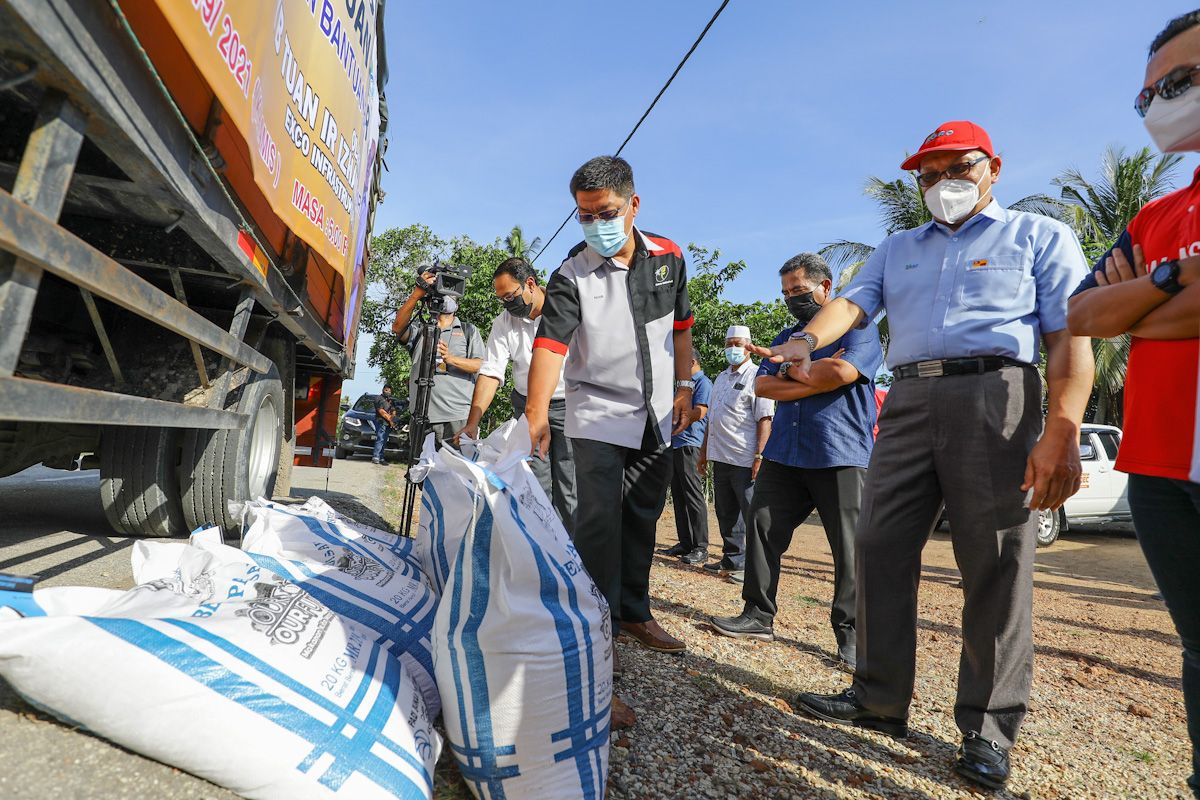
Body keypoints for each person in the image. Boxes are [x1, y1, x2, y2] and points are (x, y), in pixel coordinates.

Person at [759, 122, 1094, 791]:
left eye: (958, 167)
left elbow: (1069, 337)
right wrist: (806, 341)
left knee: (994, 561)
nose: (943, 183)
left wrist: (1062, 428)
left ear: (993, 167)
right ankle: (879, 698)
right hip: (909, 398)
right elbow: (852, 306)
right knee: (879, 544)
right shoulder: (897, 248)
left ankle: (988, 729)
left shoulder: (1038, 236)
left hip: (997, 393)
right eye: (929, 174)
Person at [1066, 13, 1200, 796]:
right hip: (1158, 466)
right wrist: (1173, 279)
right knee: (1199, 650)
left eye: (1177, 83)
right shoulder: (1154, 217)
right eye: (1147, 95)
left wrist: (1135, 301)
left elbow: (1112, 313)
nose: (1159, 105)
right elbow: (1082, 315)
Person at [524, 155, 695, 726]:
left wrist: (687, 386)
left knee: (643, 513)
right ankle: (598, 634)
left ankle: (634, 612)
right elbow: (550, 344)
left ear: (633, 205)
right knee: (597, 521)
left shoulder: (669, 258)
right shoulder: (571, 273)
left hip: (657, 412)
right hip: (595, 410)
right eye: (586, 214)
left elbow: (682, 330)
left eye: (607, 212)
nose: (596, 223)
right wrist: (535, 412)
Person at [710, 255, 881, 674]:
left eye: (799, 291)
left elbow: (842, 372)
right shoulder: (786, 337)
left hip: (838, 451)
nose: (792, 299)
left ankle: (852, 636)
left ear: (826, 288)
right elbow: (762, 386)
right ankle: (757, 614)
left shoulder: (859, 328)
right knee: (762, 526)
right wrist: (809, 376)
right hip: (785, 452)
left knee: (849, 548)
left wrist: (792, 374)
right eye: (786, 292)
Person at [456, 257, 577, 533]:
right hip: (527, 408)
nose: (507, 305)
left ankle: (569, 550)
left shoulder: (564, 308)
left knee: (570, 483)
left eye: (510, 297)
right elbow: (491, 372)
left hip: (568, 405)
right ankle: (540, 544)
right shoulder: (504, 322)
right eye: (502, 300)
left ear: (530, 284)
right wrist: (473, 422)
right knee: (534, 482)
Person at [695, 325, 774, 581]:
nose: (733, 349)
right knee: (726, 512)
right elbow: (713, 419)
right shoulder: (720, 378)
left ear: (749, 346)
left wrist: (759, 456)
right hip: (720, 455)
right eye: (729, 344)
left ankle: (754, 569)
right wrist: (703, 452)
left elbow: (765, 419)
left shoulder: (757, 376)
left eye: (737, 344)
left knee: (751, 513)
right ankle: (732, 559)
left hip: (744, 457)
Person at [390, 272, 483, 449]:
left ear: (457, 304)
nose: (446, 297)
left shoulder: (468, 330)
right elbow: (397, 327)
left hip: (456, 417)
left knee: (454, 466)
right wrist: (417, 293)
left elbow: (480, 365)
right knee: (419, 465)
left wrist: (450, 359)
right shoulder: (419, 330)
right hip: (421, 416)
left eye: (451, 294)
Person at [662, 348, 712, 565]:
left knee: (693, 495)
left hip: (690, 443)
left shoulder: (702, 383)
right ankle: (685, 542)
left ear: (691, 362)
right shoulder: (683, 386)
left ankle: (700, 546)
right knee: (679, 495)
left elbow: (701, 411)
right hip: (676, 443)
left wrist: (677, 417)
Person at [371, 385, 398, 465]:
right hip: (381, 421)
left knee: (384, 440)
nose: (388, 392)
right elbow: (381, 411)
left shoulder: (391, 400)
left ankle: (381, 458)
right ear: (383, 390)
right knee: (380, 439)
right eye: (386, 390)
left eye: (389, 391)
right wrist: (390, 420)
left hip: (388, 424)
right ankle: (376, 457)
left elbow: (393, 410)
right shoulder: (378, 398)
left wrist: (392, 420)